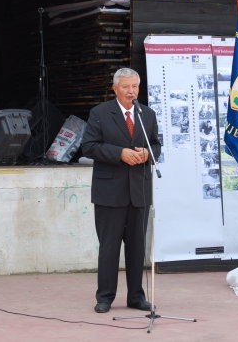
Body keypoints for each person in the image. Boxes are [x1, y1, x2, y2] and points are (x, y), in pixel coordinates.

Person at [81, 68, 161, 313]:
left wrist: (148, 154)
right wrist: (120, 154)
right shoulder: (100, 113)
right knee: (109, 246)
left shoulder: (147, 113)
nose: (131, 92)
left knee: (137, 247)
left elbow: (156, 144)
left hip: (140, 191)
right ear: (115, 88)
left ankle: (136, 296)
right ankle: (105, 297)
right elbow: (88, 146)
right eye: (126, 87)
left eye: (135, 87)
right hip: (109, 192)